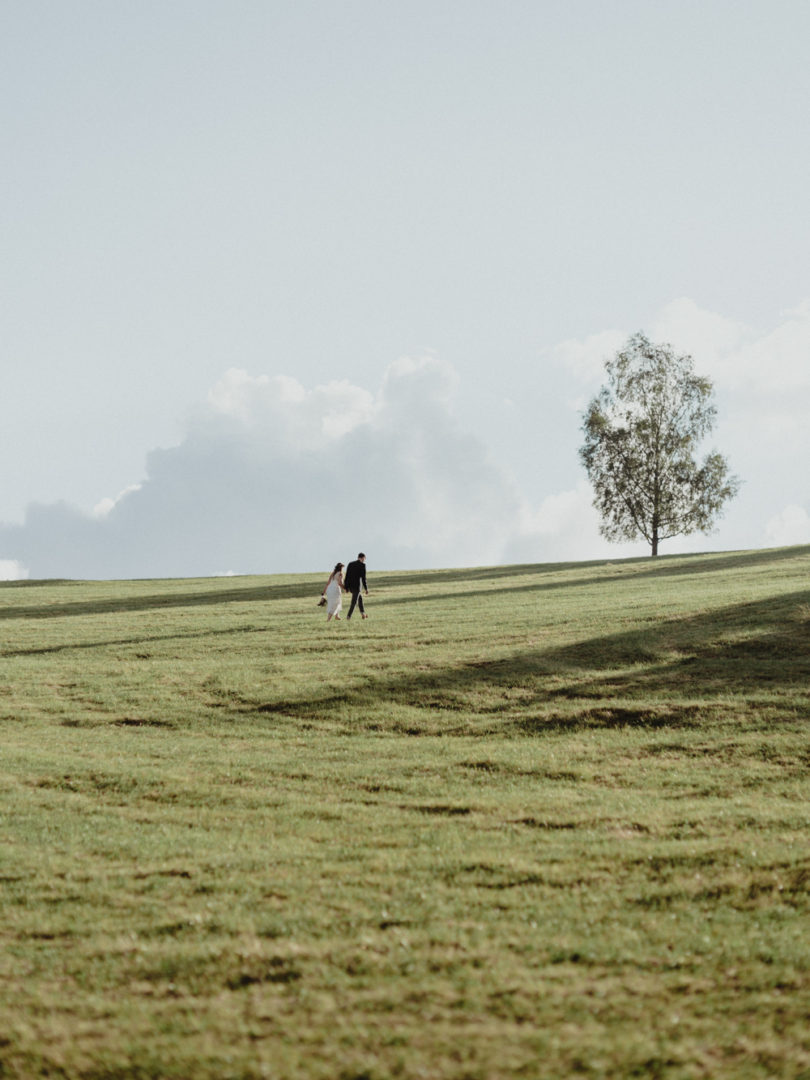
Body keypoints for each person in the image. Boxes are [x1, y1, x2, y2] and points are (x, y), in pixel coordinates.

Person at [343, 552, 369, 620]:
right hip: (357, 586)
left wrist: (346, 587)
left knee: (360, 599)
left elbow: (347, 576)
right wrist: (366, 588)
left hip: (351, 586)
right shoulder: (362, 565)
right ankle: (348, 616)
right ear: (362, 558)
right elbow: (363, 578)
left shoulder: (350, 564)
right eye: (364, 559)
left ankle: (363, 614)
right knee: (354, 602)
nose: (364, 560)